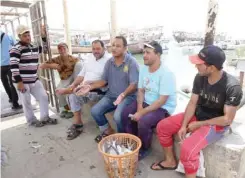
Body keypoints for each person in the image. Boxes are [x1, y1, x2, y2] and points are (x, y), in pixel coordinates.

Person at [151, 45, 243, 178]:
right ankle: (170, 161)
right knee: (163, 127)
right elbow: (193, 102)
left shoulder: (232, 86)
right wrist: (184, 125)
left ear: (211, 67)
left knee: (188, 149)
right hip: (199, 115)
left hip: (217, 124)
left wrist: (199, 125)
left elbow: (227, 119)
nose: (196, 66)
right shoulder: (200, 77)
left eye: (199, 64)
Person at [122, 41, 177, 160]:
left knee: (144, 121)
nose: (144, 55)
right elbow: (141, 90)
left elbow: (162, 100)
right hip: (147, 102)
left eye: (148, 52)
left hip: (163, 107)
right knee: (125, 113)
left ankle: (144, 148)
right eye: (144, 52)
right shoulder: (143, 69)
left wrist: (141, 113)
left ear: (158, 55)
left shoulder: (166, 74)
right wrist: (139, 108)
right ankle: (133, 143)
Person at [78, 36, 139, 142]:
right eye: (113, 45)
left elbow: (134, 84)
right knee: (95, 111)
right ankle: (108, 131)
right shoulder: (109, 62)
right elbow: (103, 81)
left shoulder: (131, 62)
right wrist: (89, 87)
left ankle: (123, 138)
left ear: (125, 48)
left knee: (117, 117)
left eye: (118, 46)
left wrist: (123, 95)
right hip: (111, 95)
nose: (114, 48)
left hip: (128, 97)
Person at [55, 40, 111, 140]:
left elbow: (106, 81)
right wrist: (72, 85)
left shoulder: (109, 60)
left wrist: (89, 85)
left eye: (98, 48)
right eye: (93, 49)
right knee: (72, 95)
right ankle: (78, 124)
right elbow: (81, 75)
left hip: (99, 91)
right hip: (86, 88)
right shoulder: (90, 59)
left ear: (104, 49)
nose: (95, 51)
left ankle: (79, 124)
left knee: (73, 95)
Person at [10, 25, 57, 127]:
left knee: (44, 96)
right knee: (26, 101)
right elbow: (13, 67)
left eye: (28, 35)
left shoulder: (33, 46)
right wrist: (19, 82)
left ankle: (45, 117)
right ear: (19, 36)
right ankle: (31, 121)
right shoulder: (16, 49)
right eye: (25, 36)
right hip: (22, 81)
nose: (28, 37)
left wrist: (43, 36)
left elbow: (44, 49)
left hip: (34, 79)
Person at [39, 42, 82, 119]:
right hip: (63, 80)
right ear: (58, 50)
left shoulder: (74, 59)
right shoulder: (57, 59)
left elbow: (81, 70)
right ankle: (66, 109)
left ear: (67, 49)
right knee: (58, 91)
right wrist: (52, 65)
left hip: (72, 79)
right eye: (60, 49)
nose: (62, 50)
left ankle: (70, 110)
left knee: (65, 91)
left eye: (64, 48)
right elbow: (41, 65)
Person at [0, 30, 22, 109]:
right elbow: (16, 46)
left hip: (1, 65)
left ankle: (10, 98)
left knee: (5, 83)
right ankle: (15, 103)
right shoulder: (8, 36)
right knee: (12, 83)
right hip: (10, 63)